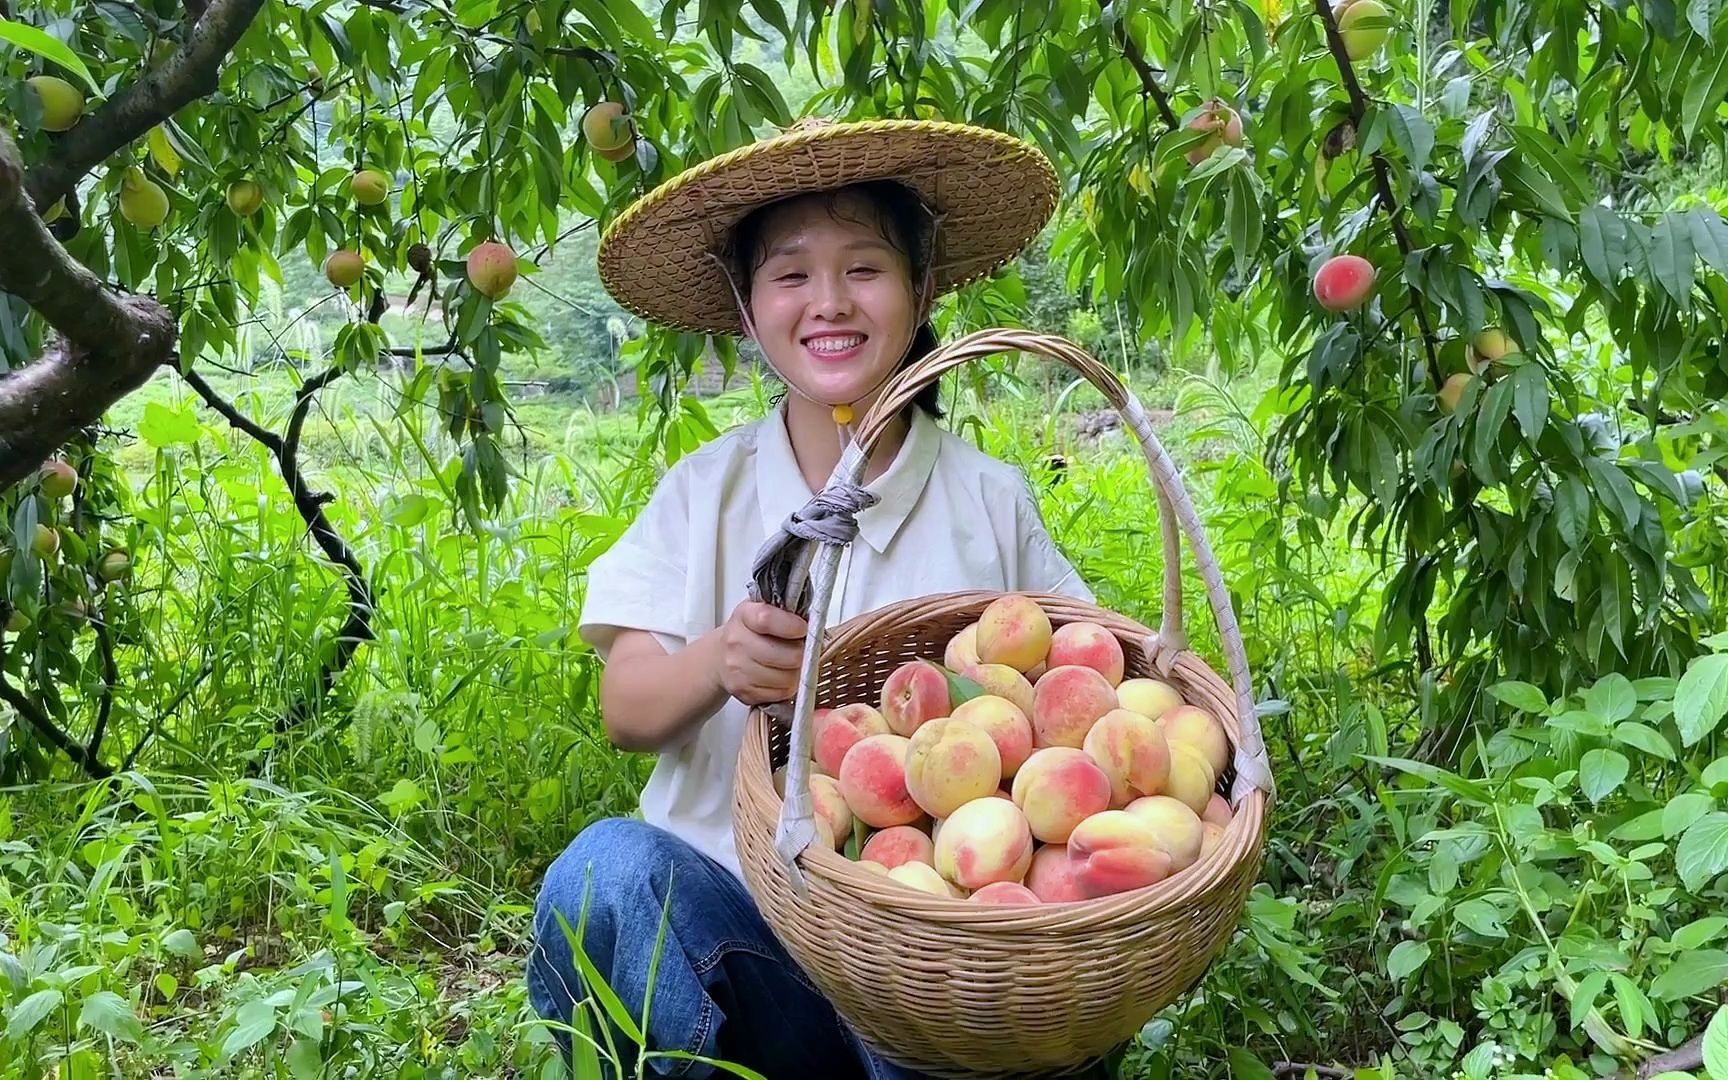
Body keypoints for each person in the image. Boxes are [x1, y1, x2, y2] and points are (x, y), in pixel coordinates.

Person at [527, 117, 1109, 1079]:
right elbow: (627, 707)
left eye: (865, 269)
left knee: (1016, 992)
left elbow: (1093, 674)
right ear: (747, 307)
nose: (828, 301)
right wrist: (718, 659)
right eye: (791, 273)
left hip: (928, 958)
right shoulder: (704, 492)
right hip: (744, 937)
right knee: (606, 873)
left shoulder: (985, 500)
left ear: (922, 290)